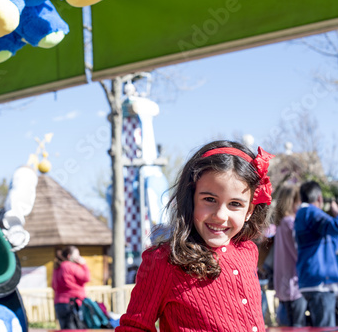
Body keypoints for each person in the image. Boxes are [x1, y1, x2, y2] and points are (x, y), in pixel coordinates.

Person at [116, 140, 274, 332]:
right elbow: (134, 327)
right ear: (190, 199)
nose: (220, 216)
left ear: (249, 210)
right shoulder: (162, 261)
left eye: (235, 204)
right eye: (209, 199)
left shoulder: (247, 250)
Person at [294, 180, 338, 327]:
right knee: (326, 328)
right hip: (320, 282)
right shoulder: (311, 212)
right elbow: (334, 227)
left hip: (311, 279)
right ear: (319, 198)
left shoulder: (302, 214)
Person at [272, 183, 306, 327]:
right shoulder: (291, 223)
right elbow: (299, 252)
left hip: (282, 285)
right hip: (294, 285)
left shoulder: (279, 224)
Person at [52, 245, 90, 329]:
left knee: (65, 329)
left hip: (59, 303)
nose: (79, 257)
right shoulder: (70, 266)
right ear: (69, 256)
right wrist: (84, 264)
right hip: (72, 303)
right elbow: (86, 277)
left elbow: (53, 285)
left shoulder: (57, 267)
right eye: (77, 255)